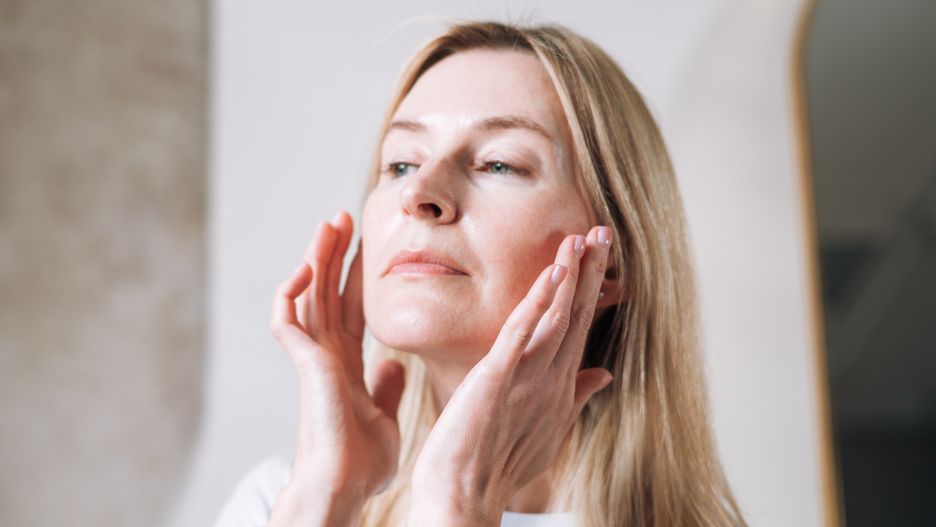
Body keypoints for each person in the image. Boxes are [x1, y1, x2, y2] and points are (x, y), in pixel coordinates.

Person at [215, 20, 747, 527]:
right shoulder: (277, 503)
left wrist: (460, 501)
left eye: (499, 164)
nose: (418, 192)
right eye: (401, 163)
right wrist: (328, 495)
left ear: (612, 265)